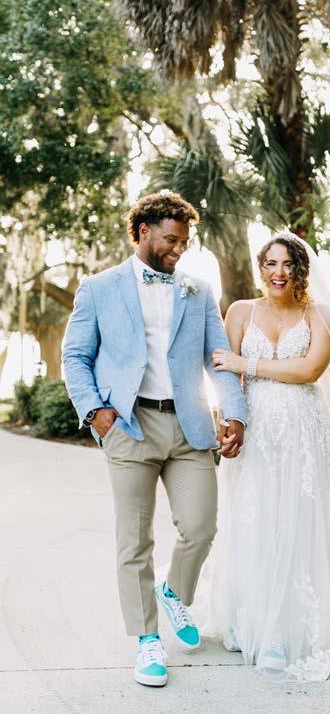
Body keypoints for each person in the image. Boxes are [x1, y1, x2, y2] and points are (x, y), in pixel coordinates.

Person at [63, 191, 246, 687]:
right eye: (171, 239)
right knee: (134, 541)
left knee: (201, 526)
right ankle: (147, 639)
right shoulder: (99, 288)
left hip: (189, 426)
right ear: (143, 231)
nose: (178, 249)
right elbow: (75, 357)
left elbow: (218, 358)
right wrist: (96, 412)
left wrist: (235, 414)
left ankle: (174, 593)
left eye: (184, 242)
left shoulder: (197, 290)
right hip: (128, 425)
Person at [208, 232, 330, 682]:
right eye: (271, 263)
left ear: (301, 270)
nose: (279, 272)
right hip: (256, 433)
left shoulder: (319, 314)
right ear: (260, 267)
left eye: (288, 264)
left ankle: (285, 633)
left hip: (305, 433)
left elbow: (309, 368)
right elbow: (224, 377)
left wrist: (247, 364)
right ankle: (254, 618)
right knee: (256, 521)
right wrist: (227, 420)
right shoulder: (240, 311)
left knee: (297, 522)